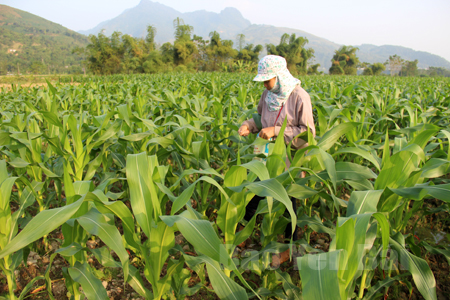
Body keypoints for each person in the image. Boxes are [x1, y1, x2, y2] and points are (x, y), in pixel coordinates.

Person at [238, 55, 316, 263]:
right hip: (265, 158)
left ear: (280, 76)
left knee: (289, 207)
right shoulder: (267, 95)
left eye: (267, 79)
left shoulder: (299, 97)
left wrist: (276, 131)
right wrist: (248, 125)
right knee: (253, 196)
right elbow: (259, 119)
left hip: (289, 162)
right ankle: (240, 237)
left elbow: (307, 133)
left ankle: (289, 250)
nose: (264, 84)